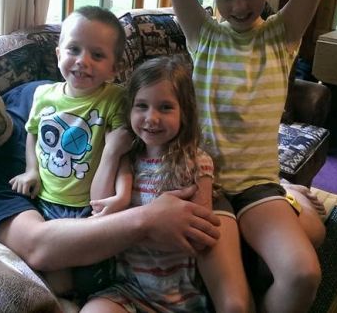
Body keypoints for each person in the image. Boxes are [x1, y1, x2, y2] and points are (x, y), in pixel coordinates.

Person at [126, 0, 337, 311]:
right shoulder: (203, 35)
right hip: (205, 185)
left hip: (258, 186)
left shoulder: (282, 35)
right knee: (233, 303)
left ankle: (289, 204)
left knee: (304, 274)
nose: (239, 6)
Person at [0, 57, 222, 296]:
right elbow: (38, 245)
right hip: (125, 249)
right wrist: (149, 219)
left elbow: (135, 118)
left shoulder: (38, 95)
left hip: (173, 183)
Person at [82, 56, 252, 313]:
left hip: (180, 296)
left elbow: (198, 238)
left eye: (165, 107)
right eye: (141, 106)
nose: (151, 118)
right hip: (128, 289)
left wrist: (127, 232)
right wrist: (111, 152)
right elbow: (98, 205)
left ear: (185, 113)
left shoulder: (197, 163)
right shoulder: (128, 159)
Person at [9, 5, 132, 219]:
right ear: (58, 55)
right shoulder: (42, 94)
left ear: (115, 68)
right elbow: (33, 132)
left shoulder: (116, 99)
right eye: (73, 49)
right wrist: (31, 170)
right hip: (43, 199)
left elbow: (122, 152)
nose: (82, 61)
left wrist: (123, 195)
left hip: (91, 203)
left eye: (97, 55)